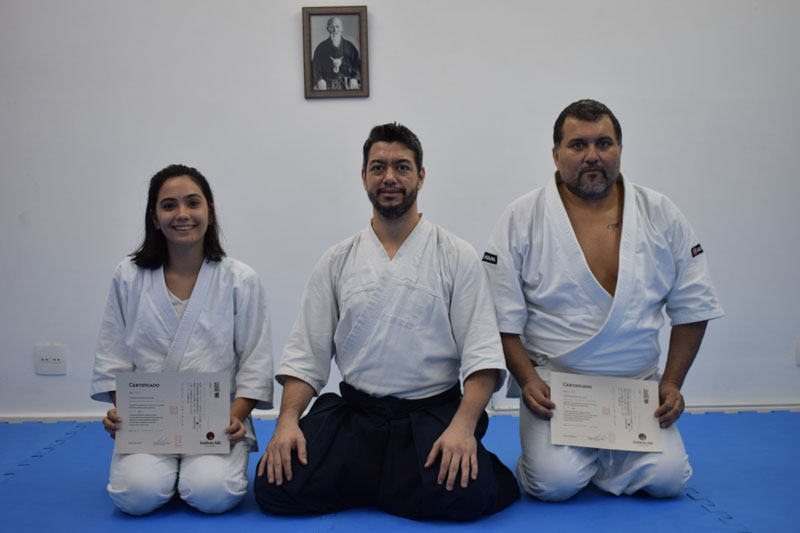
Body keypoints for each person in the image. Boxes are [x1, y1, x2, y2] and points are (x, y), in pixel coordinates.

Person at [254, 123, 519, 520]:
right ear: (364, 177)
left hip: (430, 416)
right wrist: (286, 422)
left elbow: (482, 357)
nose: (389, 177)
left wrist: (463, 428)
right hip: (357, 417)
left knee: (468, 496)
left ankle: (370, 483)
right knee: (275, 486)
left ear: (421, 176)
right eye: (378, 168)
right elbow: (306, 355)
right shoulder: (337, 260)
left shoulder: (456, 255)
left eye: (402, 167)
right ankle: (394, 485)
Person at [484, 99, 724, 502]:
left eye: (604, 143)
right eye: (578, 145)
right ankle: (565, 459)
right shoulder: (521, 217)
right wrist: (527, 380)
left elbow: (693, 304)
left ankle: (603, 460)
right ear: (556, 154)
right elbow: (499, 314)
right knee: (553, 484)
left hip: (636, 388)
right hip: (556, 388)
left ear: (620, 150)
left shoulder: (660, 213)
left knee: (670, 480)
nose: (592, 155)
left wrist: (671, 383)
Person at [91, 164, 273, 515]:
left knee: (213, 493)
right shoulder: (128, 276)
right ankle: (161, 471)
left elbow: (255, 360)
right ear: (154, 218)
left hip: (216, 421)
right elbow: (113, 354)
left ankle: (192, 471)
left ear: (209, 212)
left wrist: (235, 416)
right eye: (168, 205)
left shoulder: (240, 279)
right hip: (149, 424)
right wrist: (124, 412)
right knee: (134, 495)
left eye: (192, 203)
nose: (182, 214)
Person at [311, 16, 361, 90]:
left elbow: (356, 64)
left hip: (347, 83)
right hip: (326, 84)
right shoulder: (321, 48)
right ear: (327, 29)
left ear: (342, 28)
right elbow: (315, 67)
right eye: (332, 27)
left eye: (337, 27)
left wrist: (354, 78)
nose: (335, 30)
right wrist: (319, 80)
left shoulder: (349, 46)